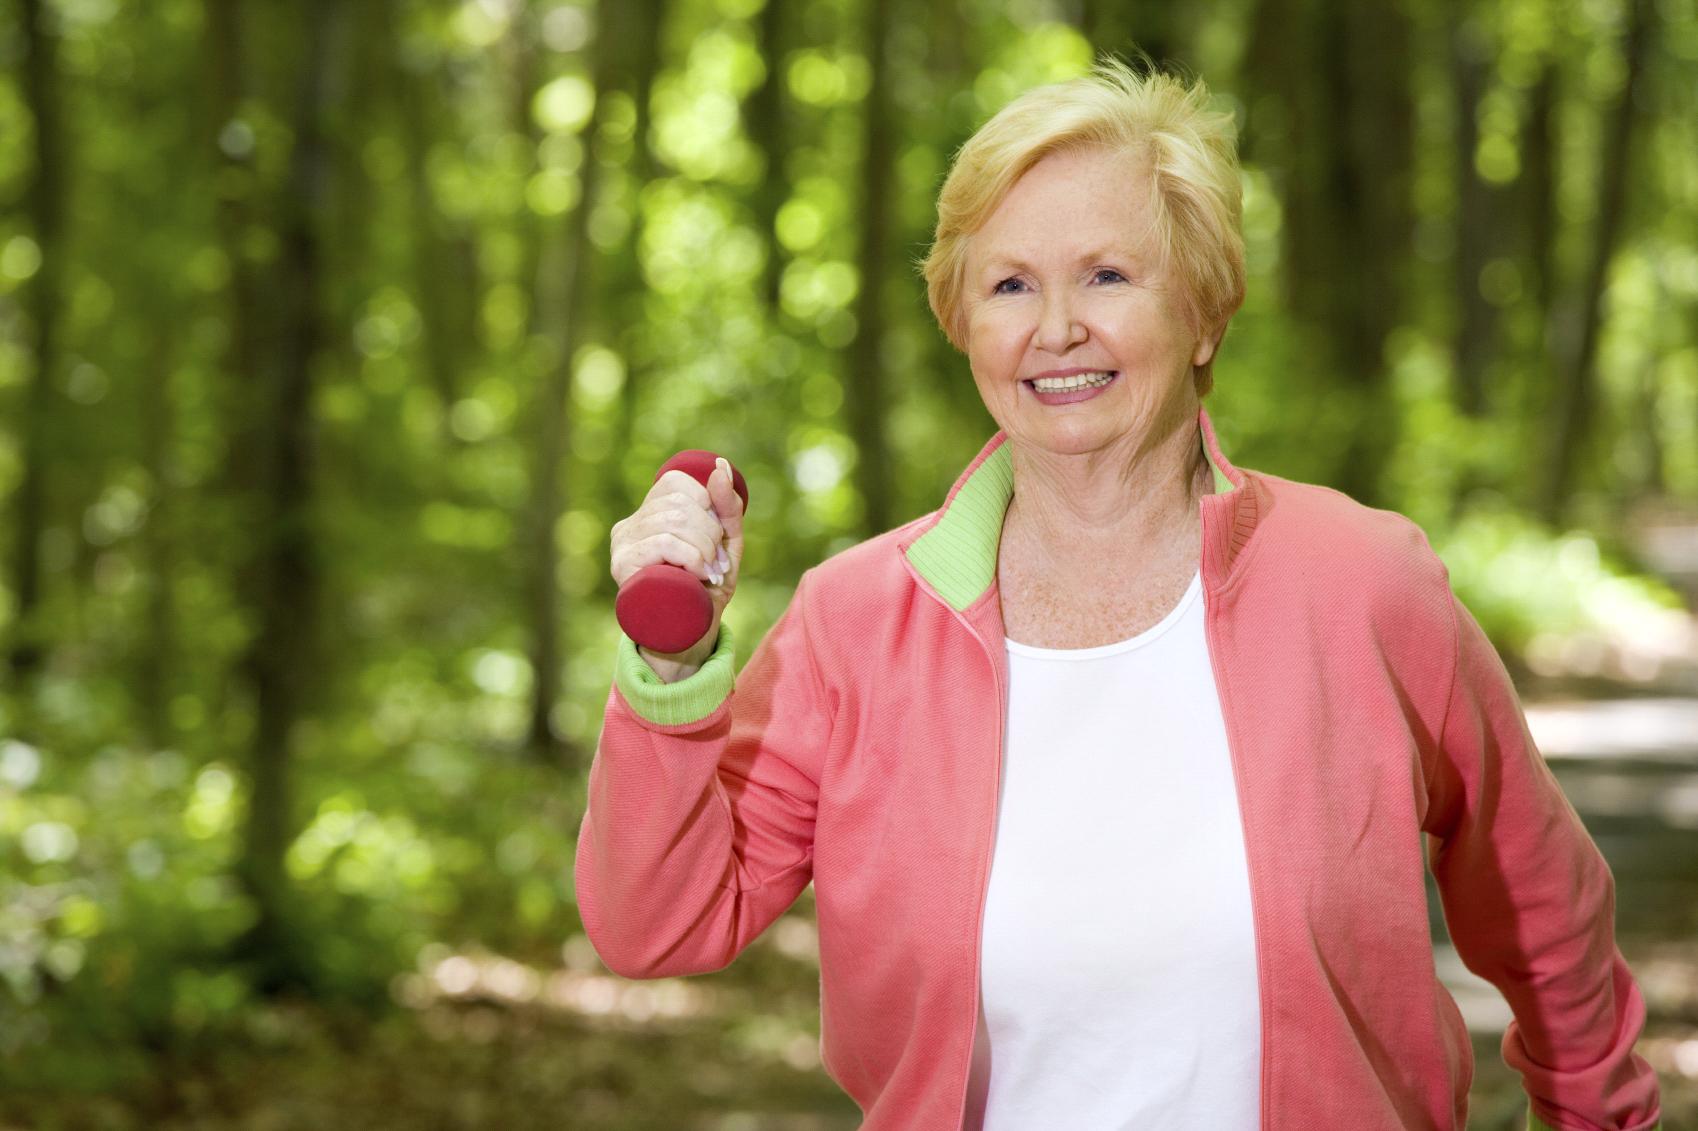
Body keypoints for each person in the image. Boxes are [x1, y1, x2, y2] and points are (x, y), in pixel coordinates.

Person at [575, 57, 1664, 1131]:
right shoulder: (856, 624)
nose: (1055, 329)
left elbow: (1542, 912)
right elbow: (654, 928)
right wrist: (670, 676)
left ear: (1204, 312)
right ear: (963, 324)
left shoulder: (1363, 583)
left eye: (1107, 275)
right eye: (1010, 284)